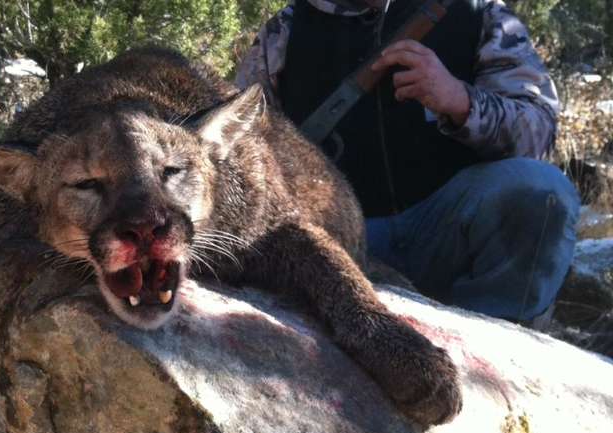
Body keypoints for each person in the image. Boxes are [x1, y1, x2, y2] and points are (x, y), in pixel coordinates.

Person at [235, 0, 580, 323]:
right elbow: (238, 148)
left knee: (544, 192)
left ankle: (497, 339)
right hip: (338, 243)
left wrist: (461, 102)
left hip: (446, 231)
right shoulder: (286, 32)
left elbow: (538, 130)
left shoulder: (478, 13)